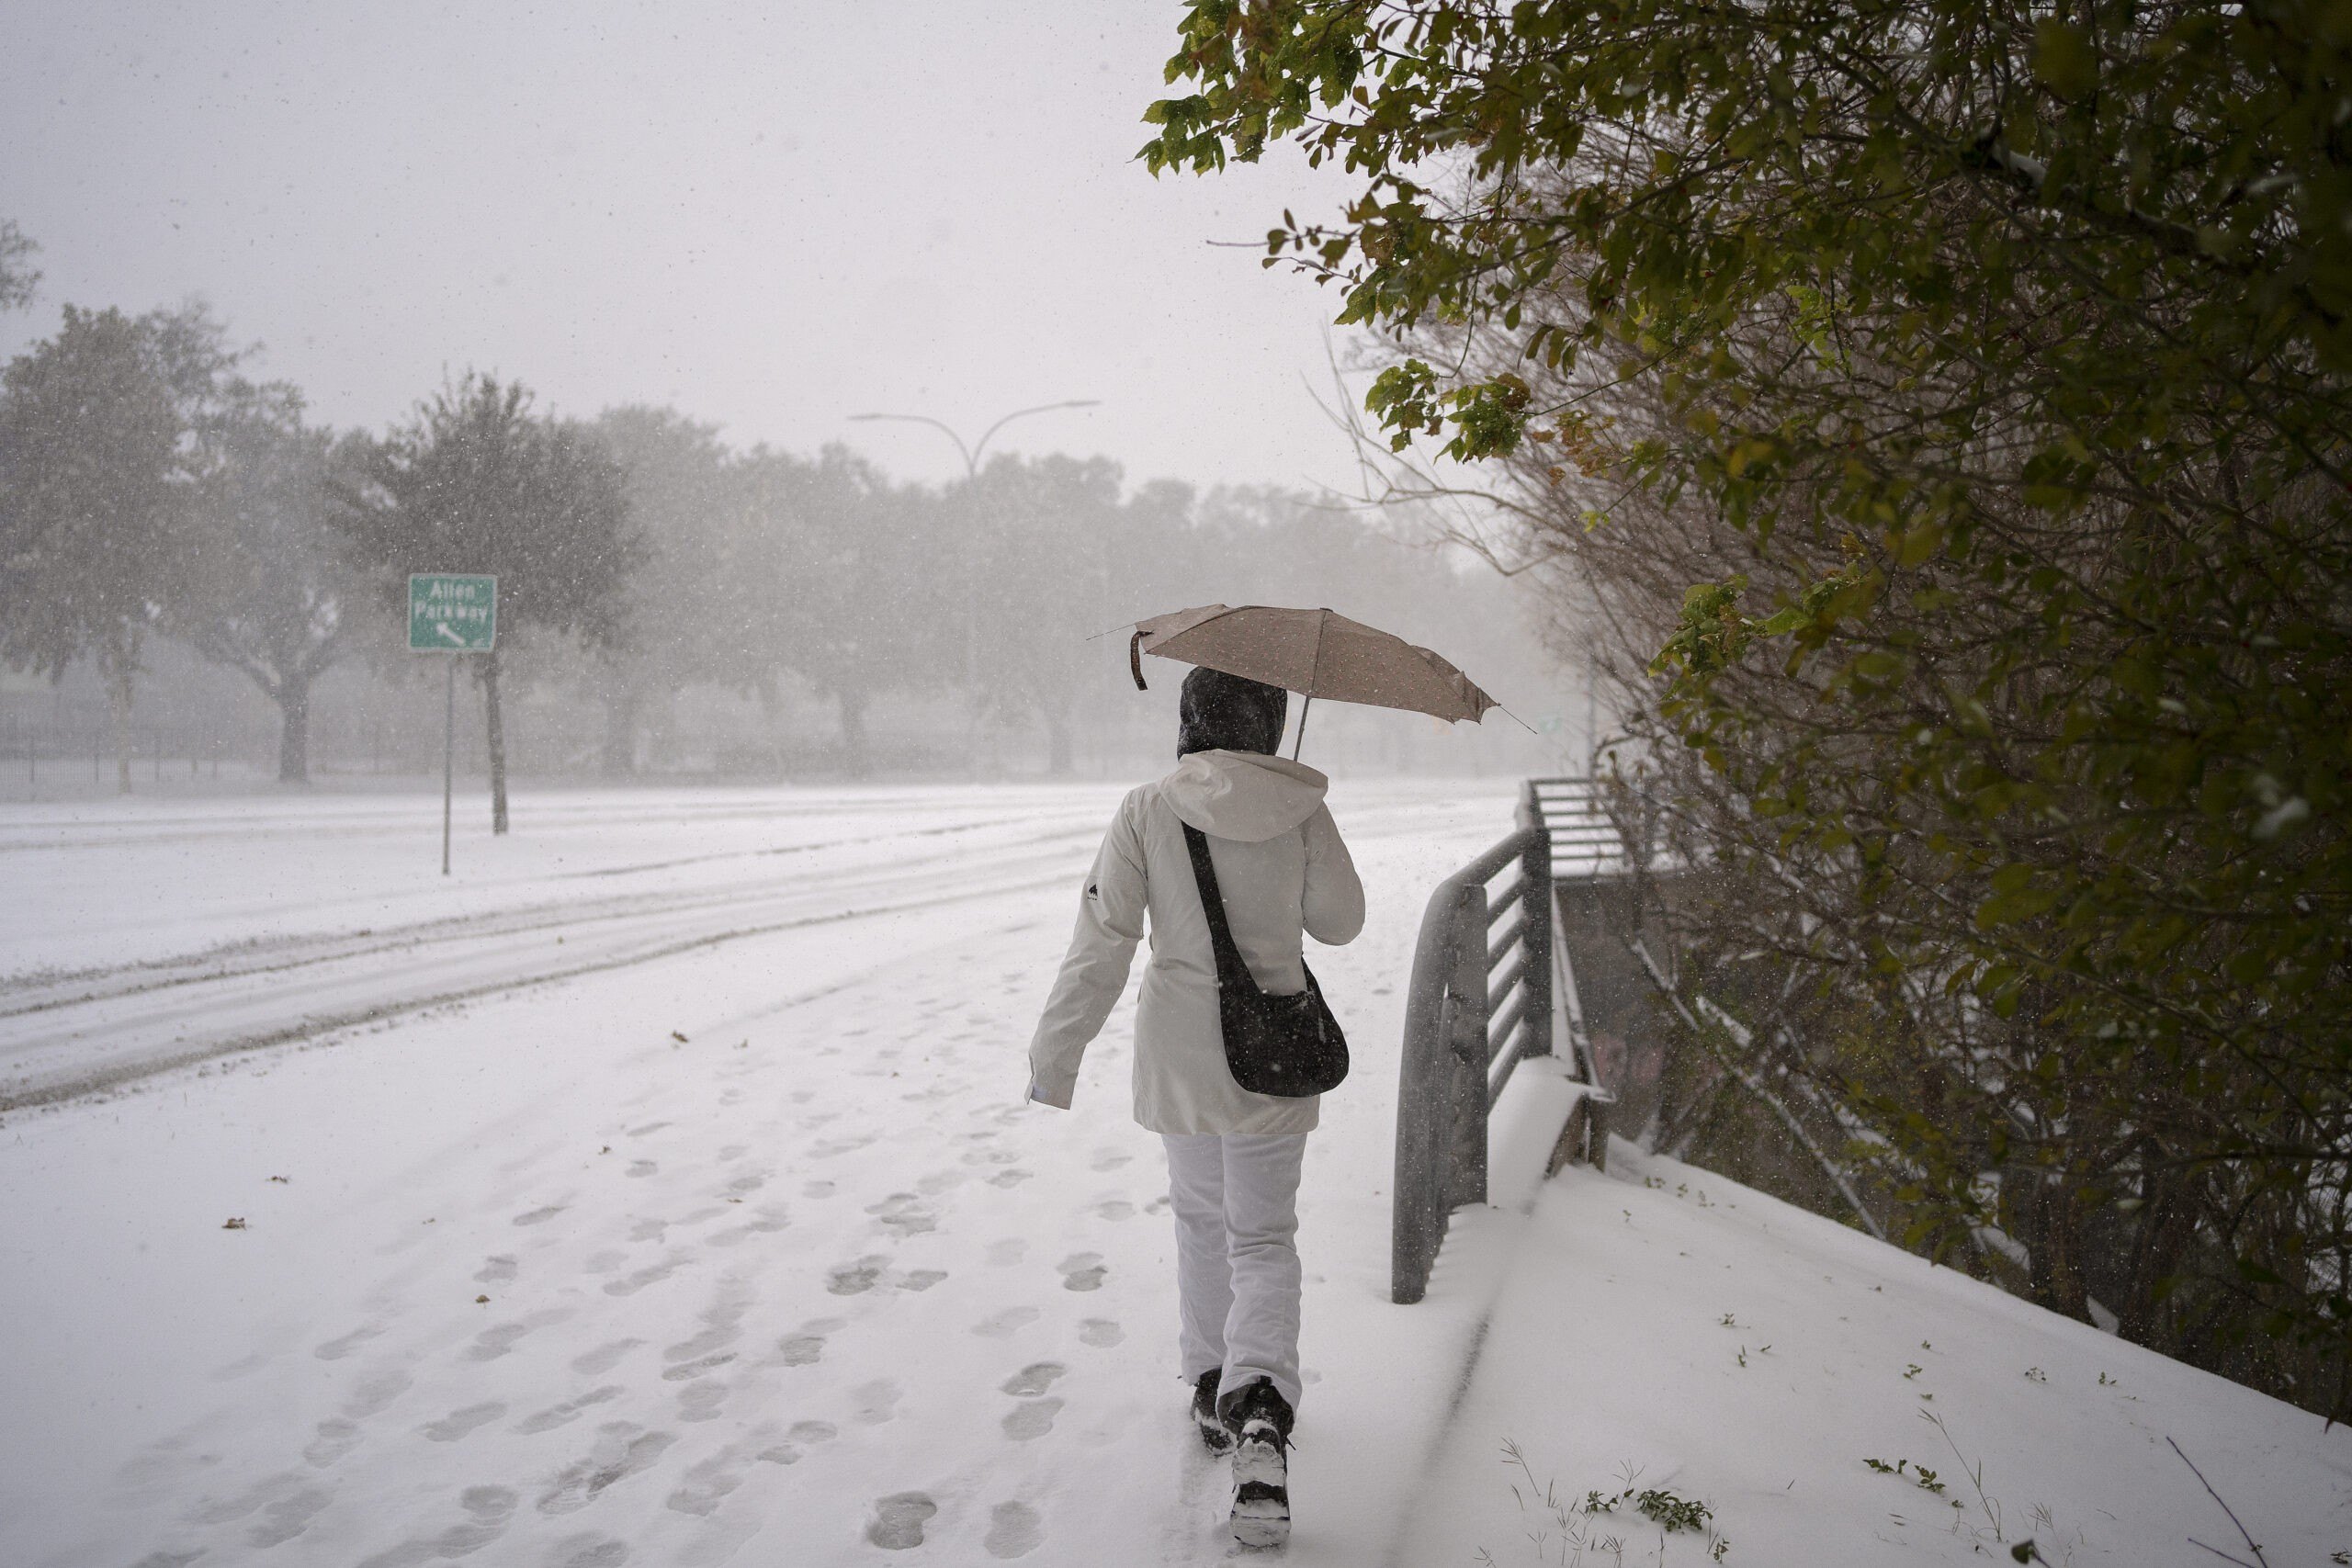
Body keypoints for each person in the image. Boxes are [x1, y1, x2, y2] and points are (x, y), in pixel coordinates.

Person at [1026, 666, 1364, 1548]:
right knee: (1262, 1235)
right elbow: (1342, 921)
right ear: (1269, 719)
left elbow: (1102, 941)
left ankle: (1214, 1379)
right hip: (1273, 1056)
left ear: (1190, 721)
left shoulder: (1147, 808)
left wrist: (1054, 1058)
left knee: (1201, 1222)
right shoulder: (1300, 807)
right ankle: (1260, 1413)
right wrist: (1296, 839)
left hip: (1180, 1055)